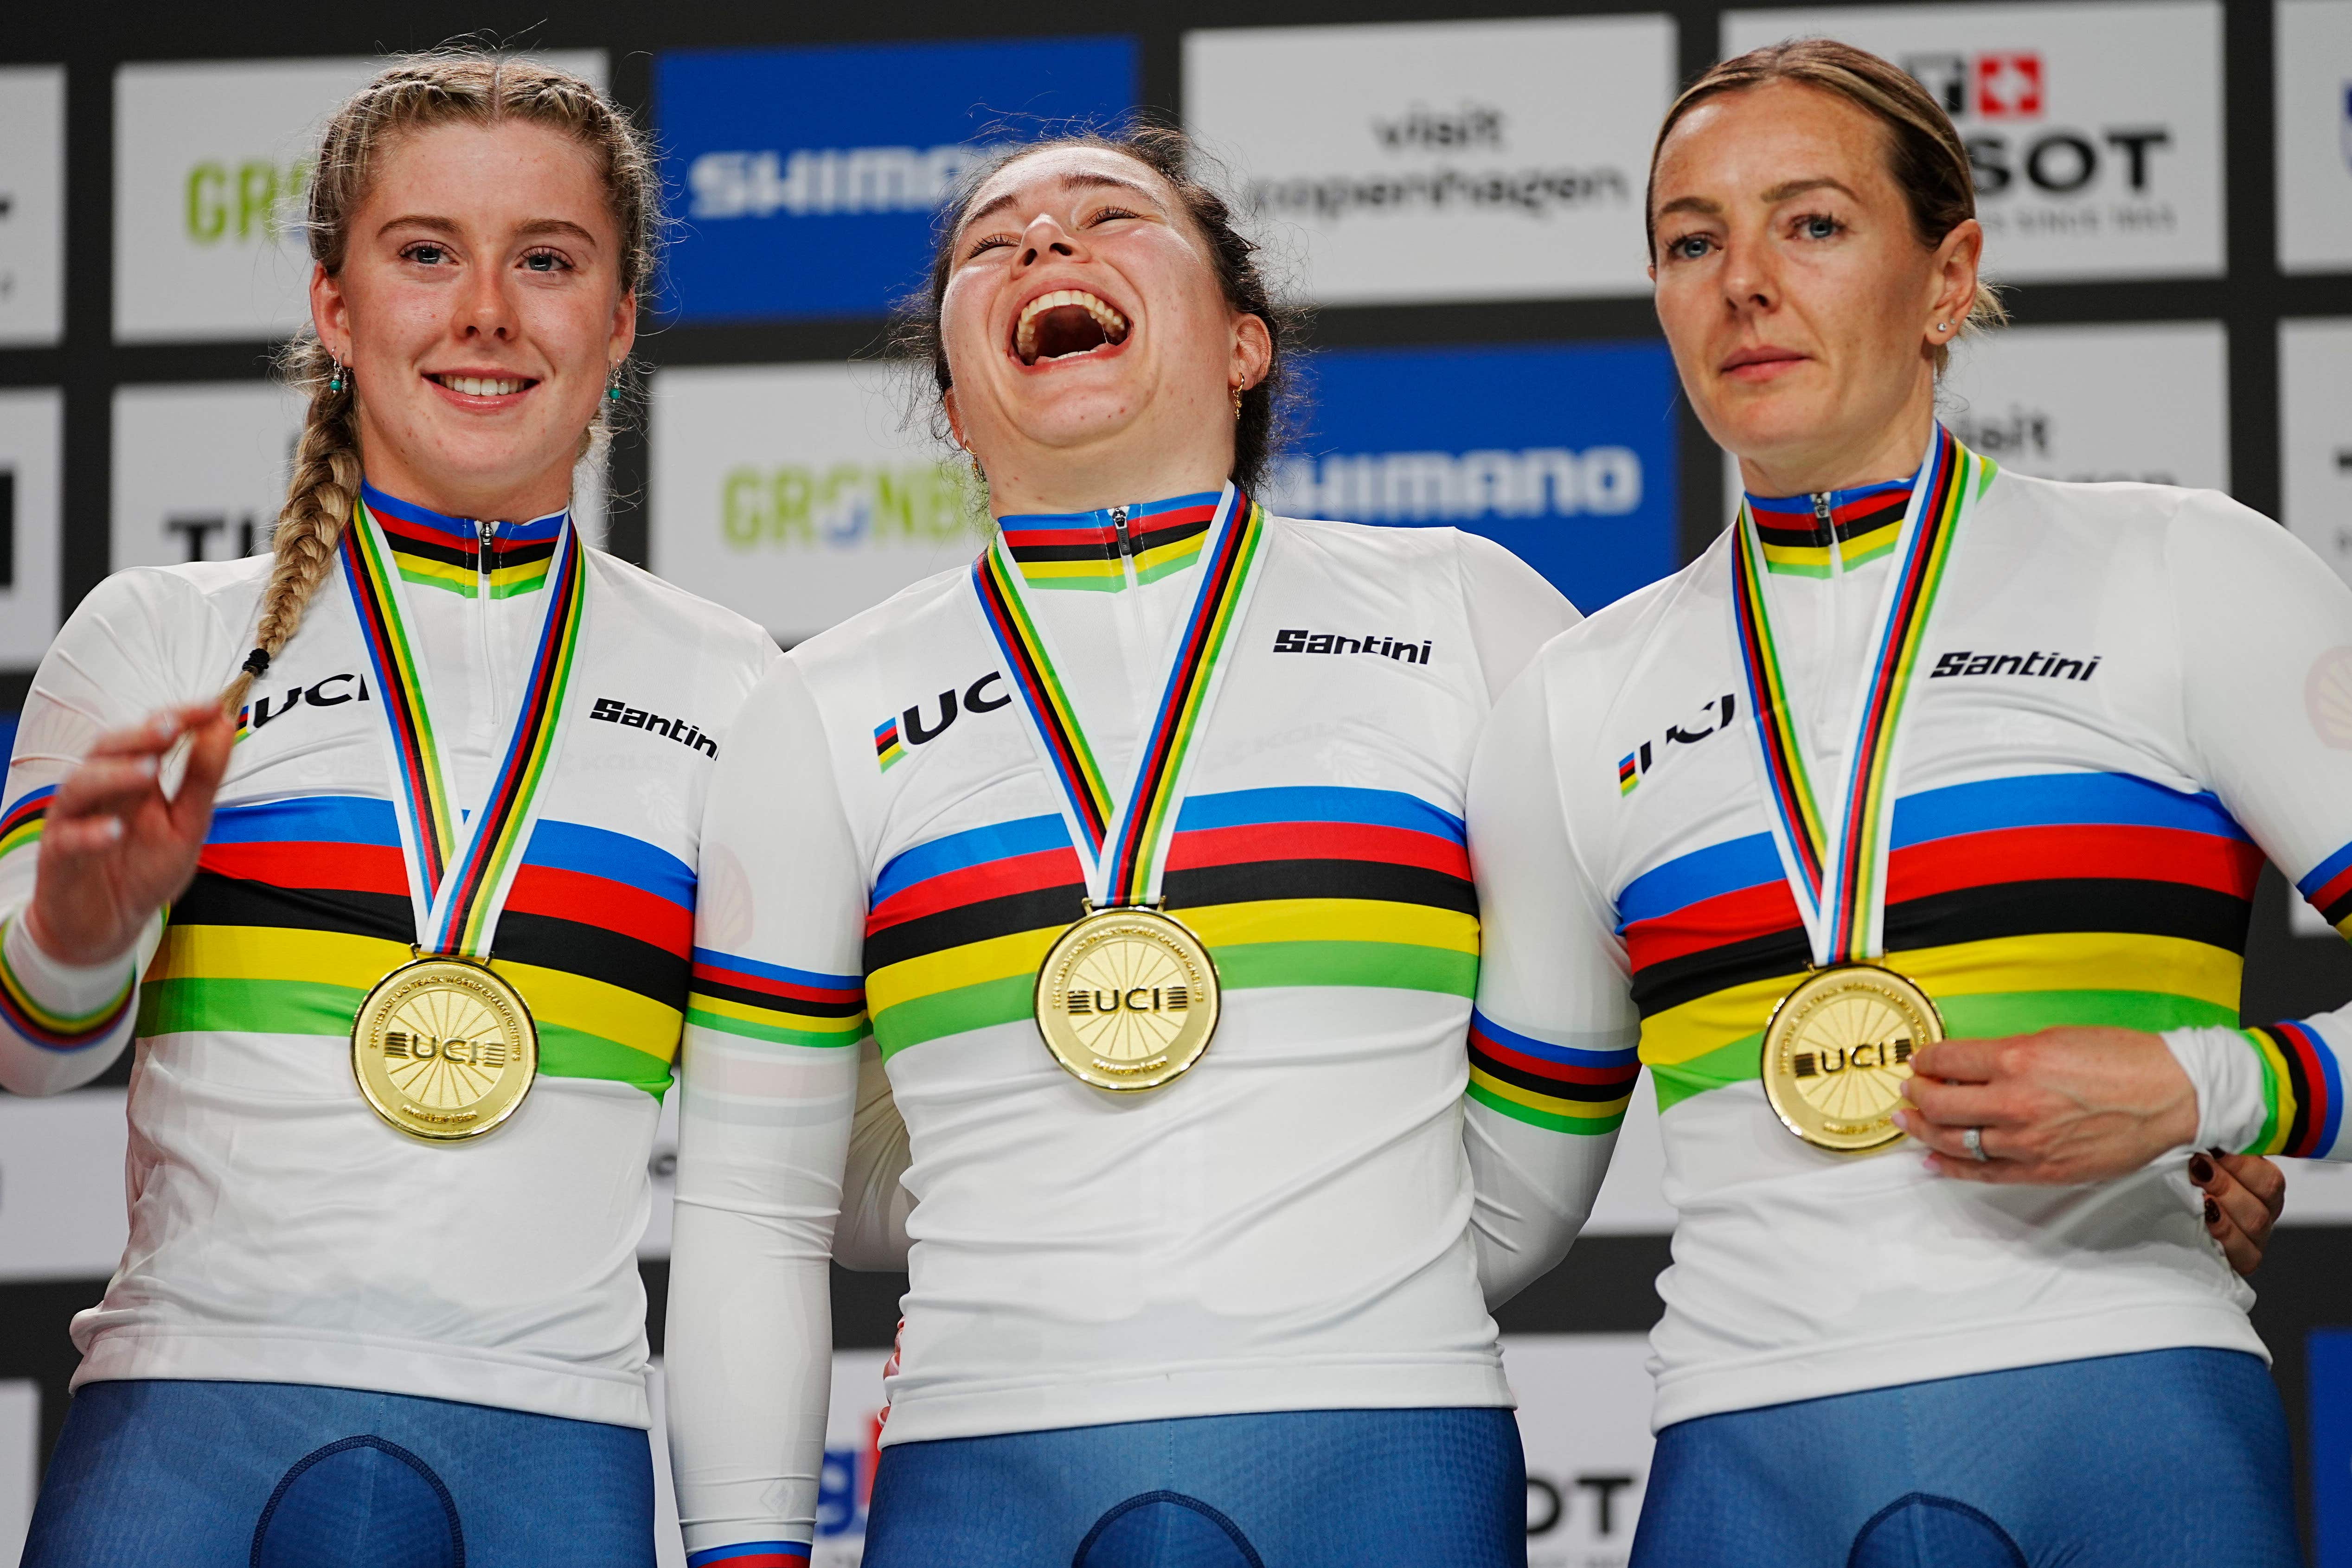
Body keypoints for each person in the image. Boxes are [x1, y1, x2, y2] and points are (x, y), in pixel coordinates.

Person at [663, 125, 1593, 1568]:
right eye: (994, 241)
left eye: (1108, 215)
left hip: (1388, 1448)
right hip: (985, 1476)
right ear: (956, 404)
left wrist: (1347, 1288)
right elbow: (753, 1212)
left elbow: (1550, 1127)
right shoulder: (820, 703)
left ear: (1242, 345)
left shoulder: (1474, 617)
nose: (1046, 244)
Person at [1466, 39, 2307, 1567]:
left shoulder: (2186, 574)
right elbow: (1502, 1209)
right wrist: (1077, 1325)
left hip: (2128, 1421)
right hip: (1743, 1462)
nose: (1743, 283)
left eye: (1814, 224)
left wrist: (2211, 1090)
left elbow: (2225, 1089)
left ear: (1947, 277)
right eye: (1691, 240)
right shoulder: (1574, 701)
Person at [5, 54, 781, 1566]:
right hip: (189, 1427)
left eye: (546, 262)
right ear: (336, 309)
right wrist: (76, 928)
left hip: (554, 1453)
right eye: (425, 254)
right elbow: (26, 1053)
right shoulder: (160, 637)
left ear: (617, 324)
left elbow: (786, 1167)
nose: (485, 311)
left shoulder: (735, 683)